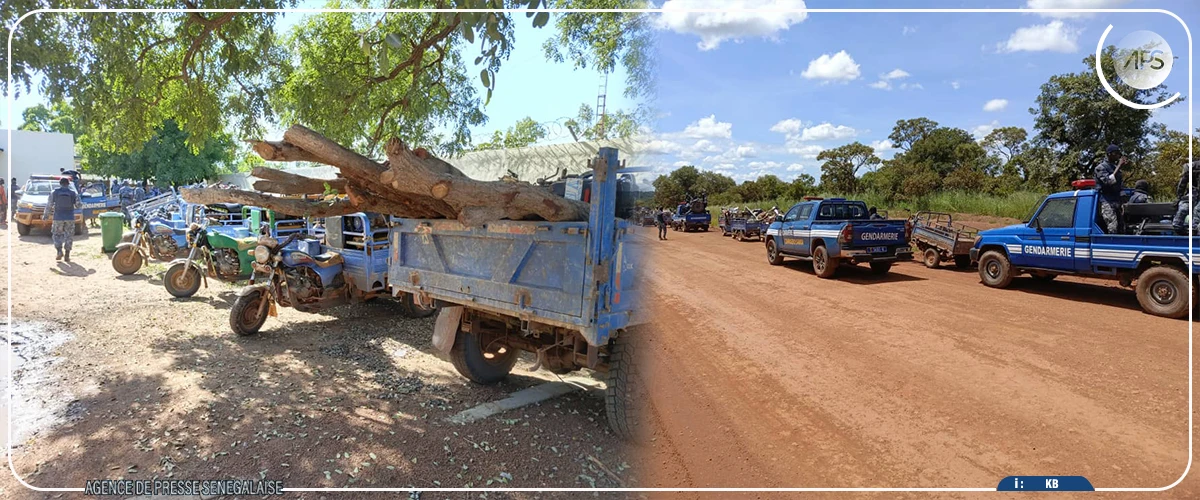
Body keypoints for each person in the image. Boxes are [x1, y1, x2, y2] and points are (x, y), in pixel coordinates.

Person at [43, 177, 80, 261]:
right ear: (68, 184)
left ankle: (59, 251)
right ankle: (67, 255)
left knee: (56, 234)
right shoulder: (73, 193)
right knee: (69, 235)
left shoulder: (54, 192)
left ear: (60, 184)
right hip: (70, 217)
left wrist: (45, 216)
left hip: (58, 217)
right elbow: (79, 205)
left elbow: (49, 205)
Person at [1094, 144, 1126, 233]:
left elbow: (1120, 185)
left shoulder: (1114, 167)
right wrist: (1119, 166)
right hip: (1107, 201)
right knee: (1113, 227)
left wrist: (1123, 201)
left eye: (1119, 154)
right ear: (1109, 154)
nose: (1118, 156)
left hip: (1117, 201)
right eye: (1116, 153)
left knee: (1122, 228)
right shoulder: (1100, 168)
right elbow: (1108, 181)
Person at [1172, 160, 1200, 235]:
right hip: (1194, 193)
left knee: (1186, 208)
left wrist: (1179, 197)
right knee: (1195, 210)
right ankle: (1194, 229)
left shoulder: (1191, 166)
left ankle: (1189, 228)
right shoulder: (1192, 166)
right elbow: (1182, 184)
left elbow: (1182, 184)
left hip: (1193, 193)